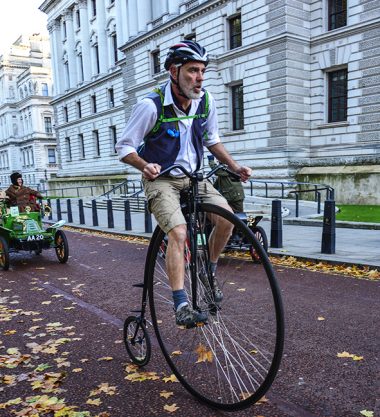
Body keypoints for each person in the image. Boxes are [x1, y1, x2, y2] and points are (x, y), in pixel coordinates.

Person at [116, 40, 252, 327]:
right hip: (161, 179)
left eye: (202, 70)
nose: (199, 78)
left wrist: (234, 166)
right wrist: (144, 165)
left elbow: (211, 139)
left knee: (228, 219)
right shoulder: (150, 105)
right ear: (173, 71)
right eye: (192, 70)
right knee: (178, 232)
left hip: (194, 178)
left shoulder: (207, 101)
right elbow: (124, 147)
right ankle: (181, 305)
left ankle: (209, 271)